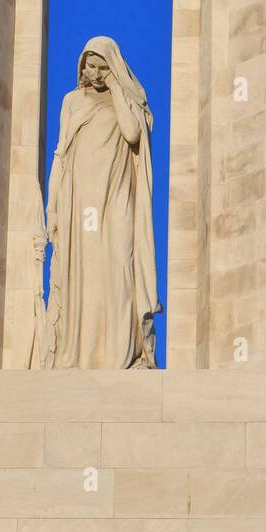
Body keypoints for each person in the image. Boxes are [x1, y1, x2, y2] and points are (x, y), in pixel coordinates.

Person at [43, 36, 160, 369]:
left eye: (101, 66)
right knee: (84, 275)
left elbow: (133, 134)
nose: (94, 72)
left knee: (120, 266)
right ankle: (80, 354)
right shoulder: (71, 102)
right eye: (89, 65)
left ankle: (123, 354)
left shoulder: (128, 101)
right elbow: (60, 156)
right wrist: (52, 206)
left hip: (118, 197)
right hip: (80, 202)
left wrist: (116, 85)